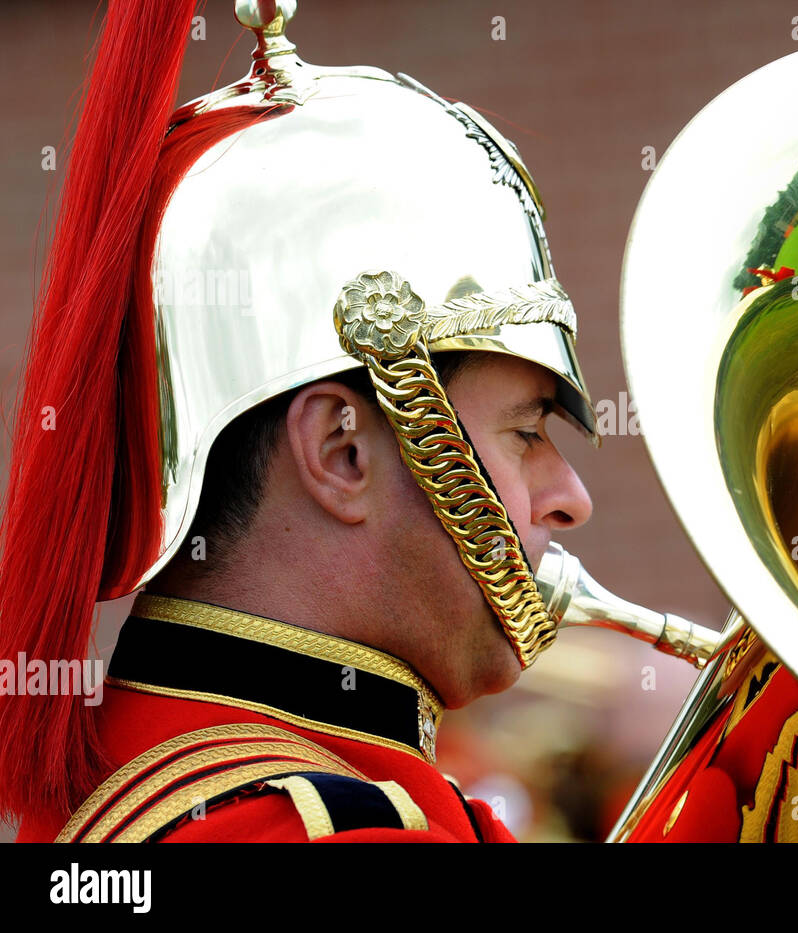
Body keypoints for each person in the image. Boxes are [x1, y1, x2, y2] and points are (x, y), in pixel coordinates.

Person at [0, 0, 597, 842]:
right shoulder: (319, 827)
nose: (569, 495)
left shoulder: (150, 770)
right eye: (528, 432)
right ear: (341, 451)